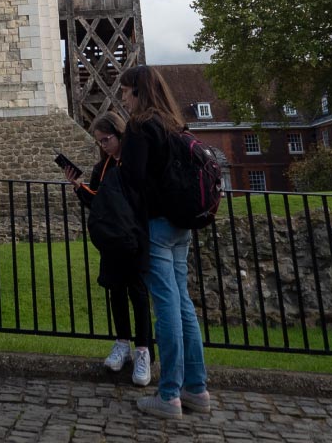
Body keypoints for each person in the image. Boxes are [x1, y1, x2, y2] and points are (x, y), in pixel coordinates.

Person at [116, 64, 213, 418]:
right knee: (183, 305)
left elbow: (134, 181)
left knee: (168, 309)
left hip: (156, 227)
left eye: (126, 91)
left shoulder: (141, 127)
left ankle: (169, 394)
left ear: (139, 91)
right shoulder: (173, 124)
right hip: (180, 225)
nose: (123, 98)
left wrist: (121, 160)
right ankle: (196, 389)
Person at [63, 111, 153, 387]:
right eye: (100, 142)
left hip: (135, 237)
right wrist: (78, 185)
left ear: (119, 134)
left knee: (138, 294)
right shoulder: (102, 168)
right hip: (113, 239)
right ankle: (122, 344)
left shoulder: (133, 164)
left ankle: (143, 352)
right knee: (116, 290)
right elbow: (98, 200)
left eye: (106, 140)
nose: (103, 145)